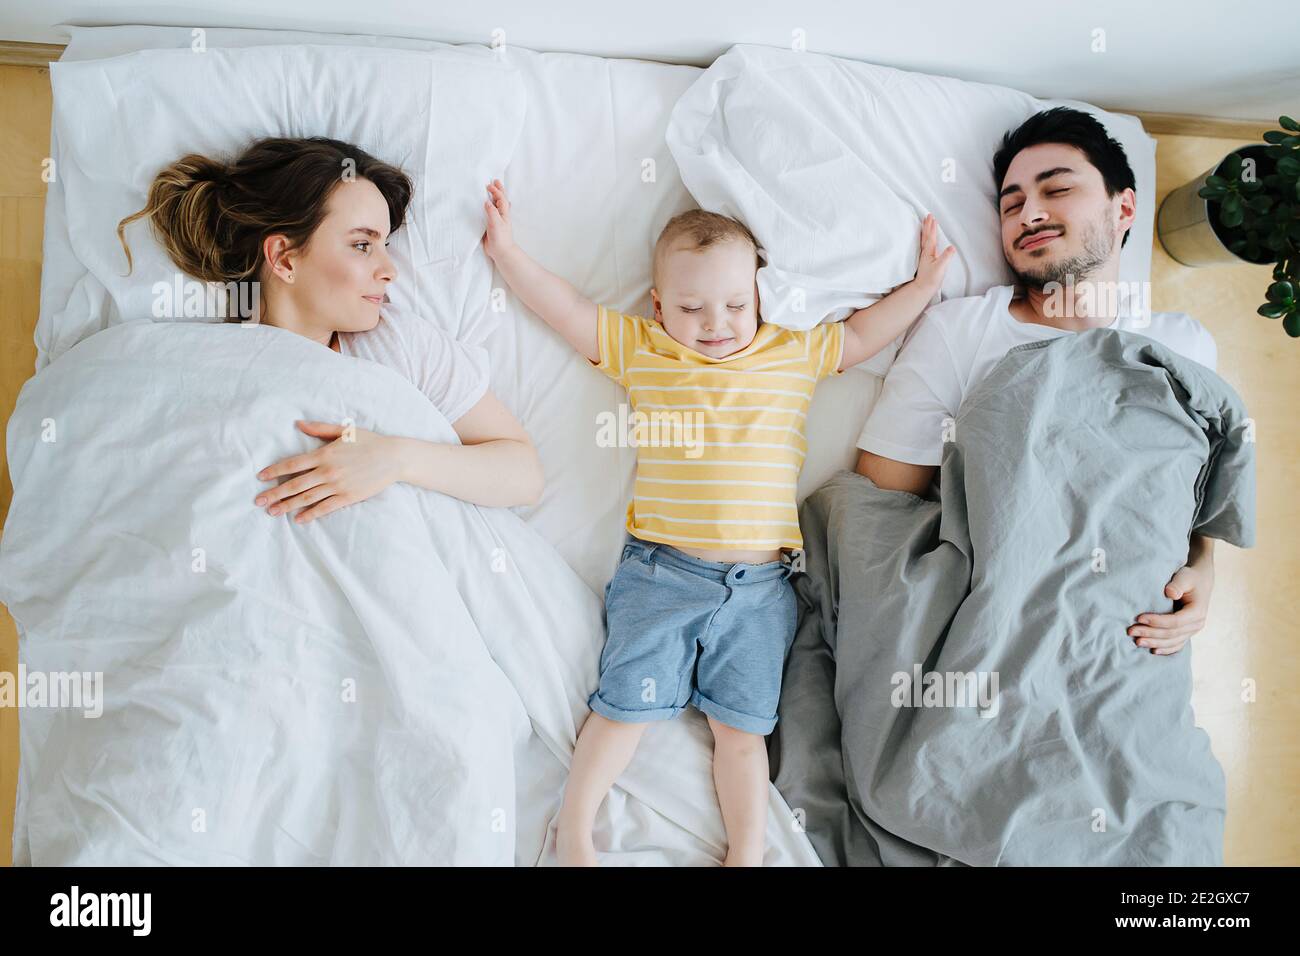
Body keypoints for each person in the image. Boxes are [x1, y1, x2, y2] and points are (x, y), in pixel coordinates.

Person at [481, 178, 954, 865]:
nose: (716, 322)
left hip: (761, 589)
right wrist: (508, 255)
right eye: (691, 307)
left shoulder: (789, 353)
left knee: (743, 730)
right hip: (662, 574)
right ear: (658, 307)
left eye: (736, 304)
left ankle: (748, 851)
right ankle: (575, 832)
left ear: (760, 297)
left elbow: (857, 336)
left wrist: (923, 287)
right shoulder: (646, 350)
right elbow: (571, 311)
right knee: (623, 707)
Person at [855, 107, 1217, 656]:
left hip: (1134, 637)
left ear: (1124, 207)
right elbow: (879, 509)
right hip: (991, 631)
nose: (1030, 214)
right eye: (1012, 204)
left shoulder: (1185, 348)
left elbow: (1200, 492)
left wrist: (1205, 568)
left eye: (1056, 190)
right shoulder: (961, 331)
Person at [117, 136, 542, 519]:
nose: (390, 270)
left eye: (385, 245)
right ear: (284, 258)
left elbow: (523, 473)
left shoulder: (400, 345)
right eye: (362, 245)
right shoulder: (204, 361)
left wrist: (393, 459)